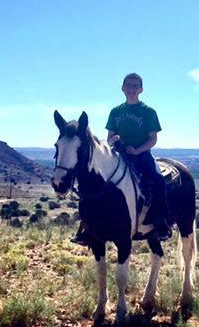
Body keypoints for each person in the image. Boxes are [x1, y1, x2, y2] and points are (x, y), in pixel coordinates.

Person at [71, 72, 171, 245]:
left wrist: (138, 150)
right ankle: (87, 227)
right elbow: (109, 137)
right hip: (118, 155)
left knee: (158, 181)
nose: (132, 89)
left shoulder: (148, 112)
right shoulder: (115, 111)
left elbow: (153, 139)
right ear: (123, 88)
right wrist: (113, 141)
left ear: (141, 89)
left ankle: (161, 224)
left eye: (135, 85)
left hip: (141, 155)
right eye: (129, 85)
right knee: (91, 184)